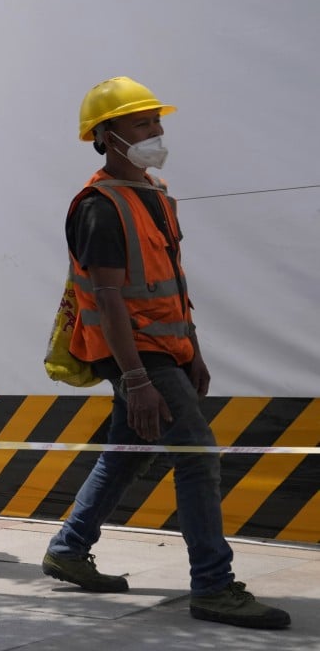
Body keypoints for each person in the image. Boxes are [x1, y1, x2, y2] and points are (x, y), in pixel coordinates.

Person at [42, 77, 290, 630]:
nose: (155, 132)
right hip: (134, 354)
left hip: (163, 350)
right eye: (141, 124)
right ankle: (213, 586)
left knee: (128, 450)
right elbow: (107, 299)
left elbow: (172, 285)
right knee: (197, 454)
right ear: (106, 137)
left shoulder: (153, 194)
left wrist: (191, 352)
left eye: (156, 121)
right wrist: (136, 379)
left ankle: (69, 548)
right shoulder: (100, 208)